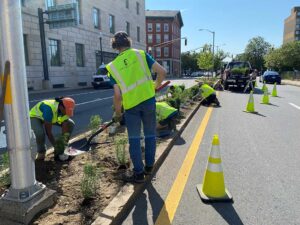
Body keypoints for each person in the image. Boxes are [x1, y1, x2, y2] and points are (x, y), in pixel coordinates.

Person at [106, 31, 166, 183]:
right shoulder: (141, 54)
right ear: (129, 42)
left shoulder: (112, 67)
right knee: (150, 135)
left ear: (115, 46)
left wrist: (118, 114)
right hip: (148, 101)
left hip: (131, 107)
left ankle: (138, 173)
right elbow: (162, 72)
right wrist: (155, 86)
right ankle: (149, 167)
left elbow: (118, 96)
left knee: (134, 139)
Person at [30, 97, 75, 161]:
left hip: (51, 117)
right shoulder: (49, 109)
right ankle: (41, 152)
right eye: (66, 111)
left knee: (70, 124)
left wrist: (62, 144)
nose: (67, 113)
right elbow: (49, 133)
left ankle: (63, 147)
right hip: (36, 116)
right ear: (61, 107)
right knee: (39, 133)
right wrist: (55, 146)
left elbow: (65, 129)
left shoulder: (65, 111)